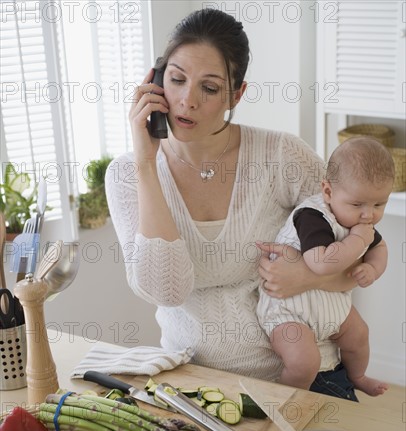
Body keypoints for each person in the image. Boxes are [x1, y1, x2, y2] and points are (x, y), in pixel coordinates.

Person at [105, 8, 361, 398]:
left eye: (208, 88)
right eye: (176, 80)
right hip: (191, 384)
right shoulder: (127, 174)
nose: (186, 100)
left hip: (306, 376)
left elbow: (359, 255)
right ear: (155, 82)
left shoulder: (281, 156)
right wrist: (146, 164)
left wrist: (307, 275)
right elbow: (166, 291)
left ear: (236, 94)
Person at [257, 136, 394, 395]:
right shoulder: (312, 216)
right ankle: (288, 401)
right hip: (289, 310)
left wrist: (373, 269)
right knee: (304, 362)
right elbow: (320, 263)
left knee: (359, 335)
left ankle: (358, 375)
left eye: (379, 204)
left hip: (331, 305)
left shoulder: (359, 223)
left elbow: (380, 247)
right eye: (358, 204)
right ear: (328, 191)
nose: (369, 215)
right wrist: (356, 240)